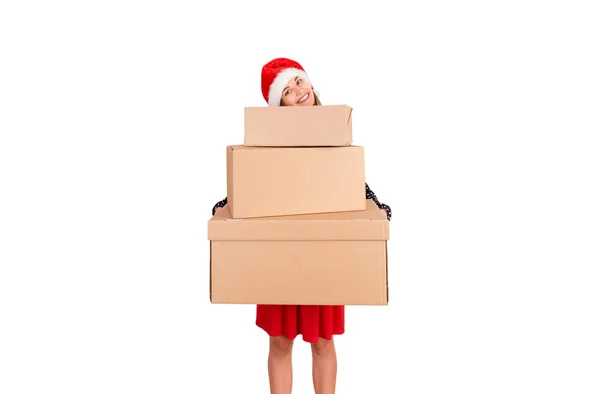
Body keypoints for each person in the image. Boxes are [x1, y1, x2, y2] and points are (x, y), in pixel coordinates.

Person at [211, 58, 391, 394]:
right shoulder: (263, 146)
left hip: (323, 248)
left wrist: (375, 212)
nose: (298, 92)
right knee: (280, 342)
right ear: (279, 106)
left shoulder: (337, 136)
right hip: (278, 249)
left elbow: (349, 183)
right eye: (288, 91)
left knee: (323, 341)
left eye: (299, 82)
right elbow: (252, 183)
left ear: (311, 84)